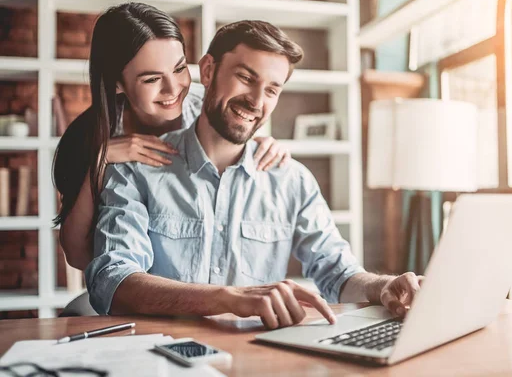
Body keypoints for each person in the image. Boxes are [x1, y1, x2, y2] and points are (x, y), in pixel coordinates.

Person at [86, 19, 422, 329]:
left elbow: (339, 273)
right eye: (246, 78)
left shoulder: (293, 180)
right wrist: (225, 298)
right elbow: (112, 282)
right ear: (207, 70)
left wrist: (382, 287)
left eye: (272, 89)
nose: (256, 101)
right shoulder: (136, 170)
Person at [53, 3, 290, 272]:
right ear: (116, 83)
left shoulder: (207, 106)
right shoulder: (84, 138)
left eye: (179, 69)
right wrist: (100, 160)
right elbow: (77, 255)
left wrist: (260, 145)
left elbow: (241, 136)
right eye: (152, 79)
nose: (173, 89)